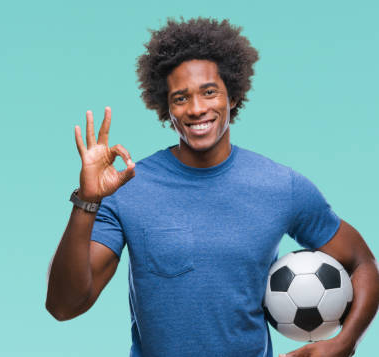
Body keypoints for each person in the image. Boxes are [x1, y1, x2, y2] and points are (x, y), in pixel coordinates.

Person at [45, 17, 378, 357]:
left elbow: (362, 263)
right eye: (180, 98)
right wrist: (86, 200)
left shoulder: (281, 186)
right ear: (166, 109)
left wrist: (344, 342)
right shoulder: (129, 187)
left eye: (209, 92)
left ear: (232, 96)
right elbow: (64, 306)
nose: (196, 109)